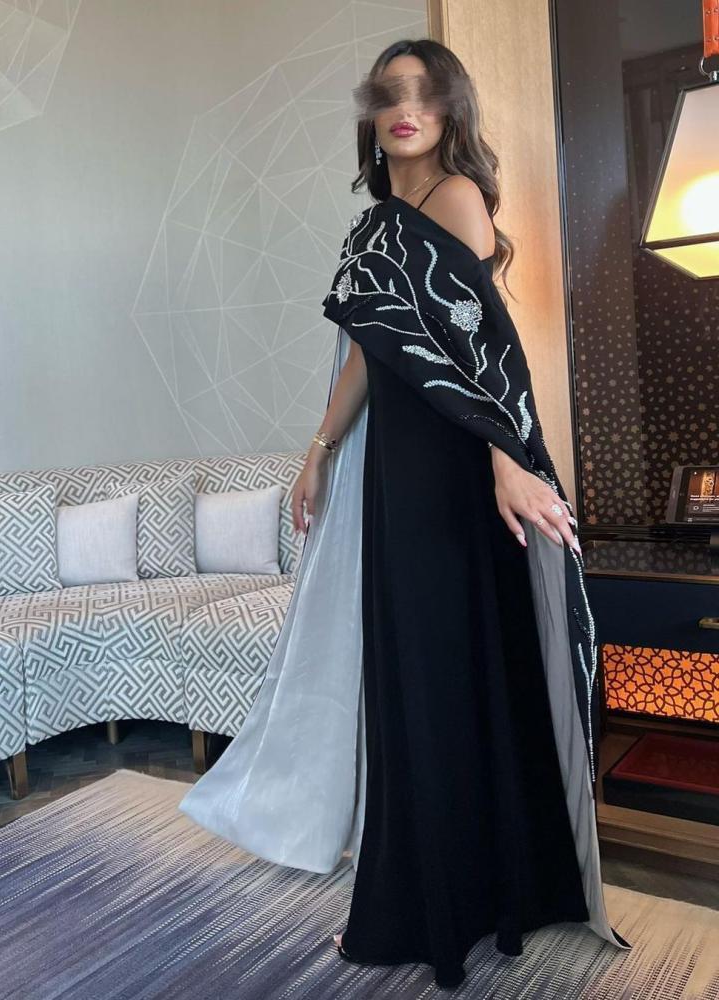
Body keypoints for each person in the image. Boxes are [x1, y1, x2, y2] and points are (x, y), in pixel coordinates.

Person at [179, 38, 632, 990]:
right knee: (408, 679)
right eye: (390, 93)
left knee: (444, 678)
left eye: (425, 93)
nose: (406, 108)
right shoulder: (373, 226)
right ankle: (429, 897)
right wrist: (319, 450)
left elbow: (482, 352)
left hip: (460, 474)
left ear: (449, 109)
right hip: (397, 475)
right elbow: (368, 355)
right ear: (373, 111)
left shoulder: (458, 199)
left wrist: (506, 460)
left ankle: (449, 903)